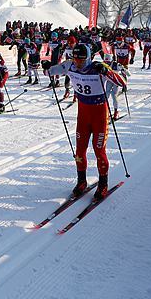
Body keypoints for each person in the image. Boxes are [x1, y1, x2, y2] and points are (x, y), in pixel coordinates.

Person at [49, 43, 126, 200]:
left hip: (99, 115)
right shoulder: (69, 65)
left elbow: (122, 82)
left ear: (89, 58)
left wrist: (107, 71)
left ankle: (103, 184)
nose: (78, 62)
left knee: (99, 151)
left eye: (81, 59)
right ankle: (81, 181)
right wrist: (47, 67)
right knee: (80, 151)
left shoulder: (98, 66)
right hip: (83, 115)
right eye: (75, 58)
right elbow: (51, 71)